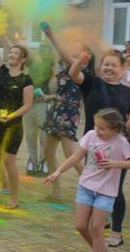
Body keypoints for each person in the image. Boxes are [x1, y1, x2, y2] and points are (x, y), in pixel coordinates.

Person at [45, 108, 130, 252]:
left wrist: (117, 164)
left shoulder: (121, 142)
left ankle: (98, 248)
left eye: (102, 128)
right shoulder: (91, 136)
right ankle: (100, 248)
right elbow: (75, 157)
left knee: (96, 228)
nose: (97, 130)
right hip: (86, 187)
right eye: (96, 126)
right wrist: (58, 172)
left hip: (106, 191)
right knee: (81, 226)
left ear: (114, 129)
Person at [70, 49, 130, 247]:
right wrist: (80, 60)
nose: (109, 68)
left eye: (114, 65)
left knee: (115, 188)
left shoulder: (127, 91)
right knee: (94, 183)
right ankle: (97, 231)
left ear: (123, 69)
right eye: (106, 64)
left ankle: (116, 231)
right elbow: (73, 74)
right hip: (93, 144)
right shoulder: (92, 83)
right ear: (100, 66)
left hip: (118, 147)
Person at [0, 22, 33, 210]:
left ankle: (14, 197)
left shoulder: (26, 80)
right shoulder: (1, 71)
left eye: (16, 53)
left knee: (9, 160)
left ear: (23, 59)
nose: (11, 55)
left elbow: (27, 105)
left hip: (13, 124)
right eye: (10, 52)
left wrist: (11, 116)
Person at [39, 23, 88, 201]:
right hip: (56, 111)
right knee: (48, 151)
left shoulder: (83, 71)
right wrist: (49, 97)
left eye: (76, 53)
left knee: (71, 155)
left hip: (68, 114)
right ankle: (56, 192)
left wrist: (51, 35)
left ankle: (92, 190)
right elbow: (63, 94)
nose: (71, 55)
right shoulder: (64, 70)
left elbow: (64, 55)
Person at [25, 42, 55, 175]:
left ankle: (43, 161)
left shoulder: (52, 64)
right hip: (29, 103)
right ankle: (33, 161)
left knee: (44, 137)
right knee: (30, 135)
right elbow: (22, 51)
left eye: (45, 48)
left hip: (43, 104)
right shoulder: (33, 62)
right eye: (41, 48)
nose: (43, 50)